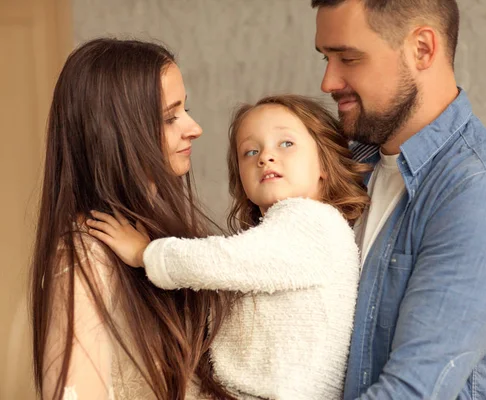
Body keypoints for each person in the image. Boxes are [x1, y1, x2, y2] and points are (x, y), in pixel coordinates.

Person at [311, 0, 486, 399]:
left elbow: (412, 393)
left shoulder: (482, 194)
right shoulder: (348, 165)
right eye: (325, 58)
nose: (328, 81)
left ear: (422, 49)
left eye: (348, 58)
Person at [87, 94, 370, 400]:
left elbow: (220, 260)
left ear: (324, 165)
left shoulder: (313, 223)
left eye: (286, 144)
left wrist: (146, 253)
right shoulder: (282, 236)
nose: (265, 157)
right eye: (250, 151)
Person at [30, 38, 236, 400]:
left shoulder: (153, 240)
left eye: (185, 110)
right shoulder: (85, 257)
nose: (194, 128)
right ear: (115, 132)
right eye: (170, 117)